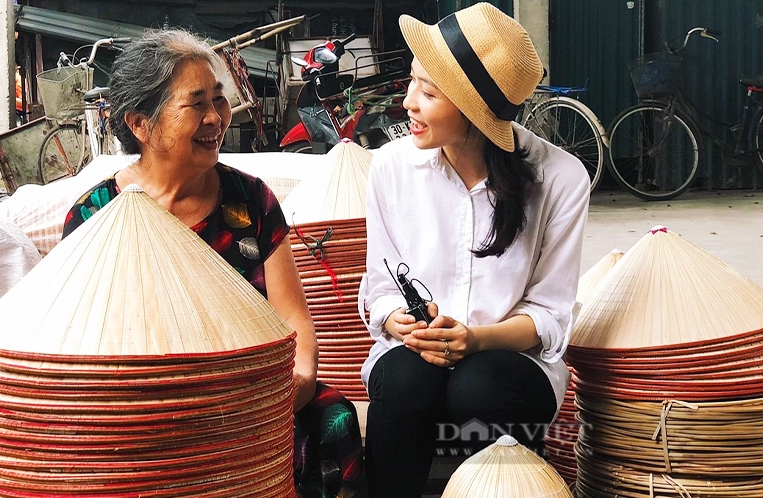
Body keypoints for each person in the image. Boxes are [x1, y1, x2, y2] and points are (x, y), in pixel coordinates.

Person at [62, 29, 367, 498]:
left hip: (249, 393)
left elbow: (292, 317)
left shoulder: (251, 200)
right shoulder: (94, 216)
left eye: (219, 99)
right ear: (141, 124)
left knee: (335, 417)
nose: (215, 118)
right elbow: (75, 342)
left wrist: (299, 381)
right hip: (144, 404)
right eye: (196, 103)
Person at [357, 4, 590, 497]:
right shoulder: (390, 167)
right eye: (411, 83)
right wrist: (394, 318)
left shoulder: (561, 178)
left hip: (511, 366)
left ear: (474, 112)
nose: (408, 104)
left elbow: (551, 315)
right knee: (404, 379)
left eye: (429, 92)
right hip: (413, 358)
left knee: (479, 384)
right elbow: (379, 284)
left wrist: (477, 340)